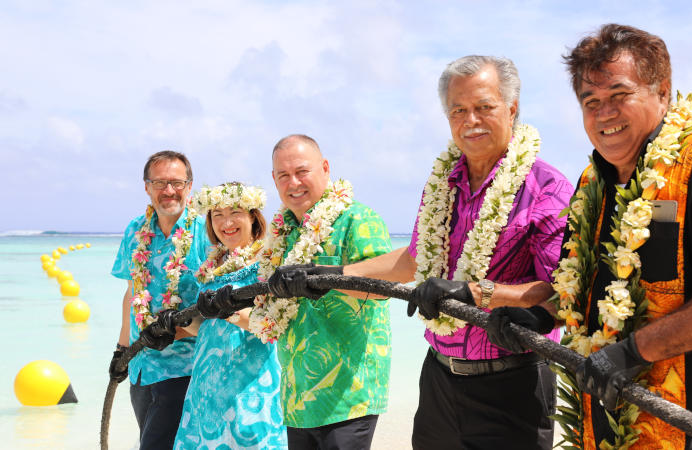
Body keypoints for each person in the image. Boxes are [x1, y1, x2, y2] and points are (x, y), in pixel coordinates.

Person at [489, 24, 692, 449]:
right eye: (591, 101)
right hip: (602, 420)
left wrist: (632, 352)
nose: (604, 112)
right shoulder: (591, 183)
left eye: (619, 95)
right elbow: (581, 292)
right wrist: (536, 318)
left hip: (688, 424)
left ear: (662, 92)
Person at [271, 56, 573, 449]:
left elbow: (560, 293)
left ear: (511, 108)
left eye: (484, 107)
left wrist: (476, 292)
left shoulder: (548, 187)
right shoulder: (443, 183)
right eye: (458, 110)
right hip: (438, 380)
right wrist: (325, 274)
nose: (471, 120)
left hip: (511, 383)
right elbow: (412, 260)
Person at [201, 135, 393, 450]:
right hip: (296, 398)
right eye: (283, 175)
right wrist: (225, 309)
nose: (294, 183)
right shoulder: (283, 234)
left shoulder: (357, 218)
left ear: (326, 168)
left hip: (348, 394)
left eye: (302, 171)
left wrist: (326, 277)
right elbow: (274, 319)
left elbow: (384, 290)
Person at [171, 182, 287, 449]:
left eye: (235, 212)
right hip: (206, 385)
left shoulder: (267, 260)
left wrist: (230, 312)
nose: (227, 222)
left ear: (252, 216)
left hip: (249, 386)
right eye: (217, 214)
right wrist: (181, 323)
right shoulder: (212, 265)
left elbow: (273, 326)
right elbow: (207, 329)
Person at [108, 150, 211, 449]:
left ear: (190, 186)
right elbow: (131, 293)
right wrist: (121, 350)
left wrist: (177, 329)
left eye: (177, 183)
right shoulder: (134, 230)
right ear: (147, 187)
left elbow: (220, 303)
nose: (169, 191)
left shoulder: (207, 232)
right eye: (160, 182)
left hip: (187, 369)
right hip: (142, 368)